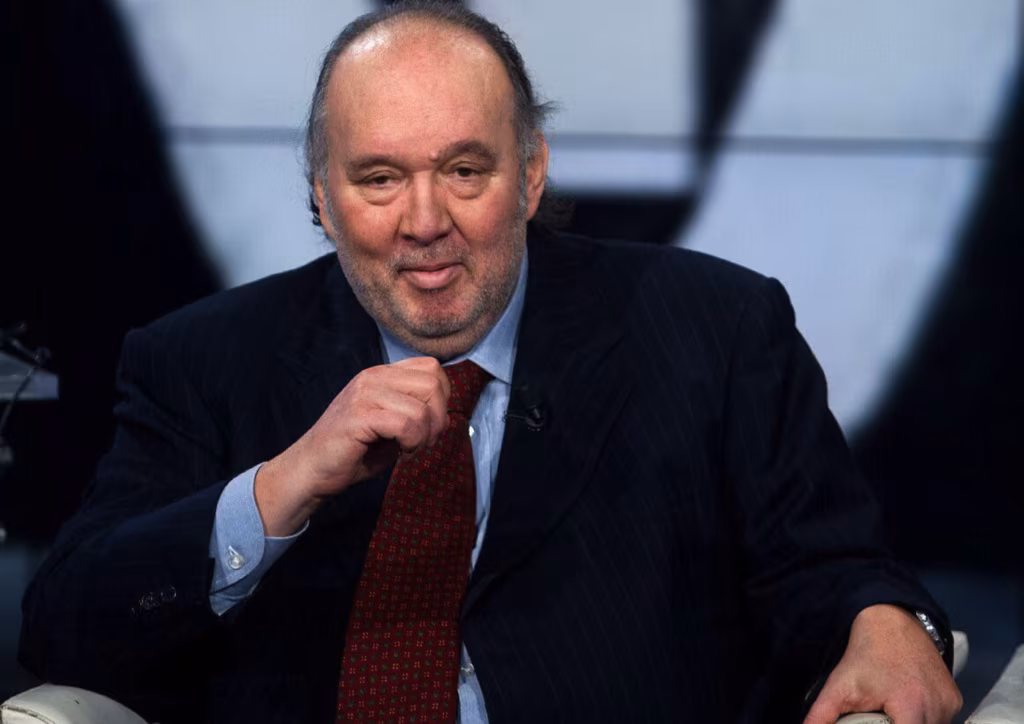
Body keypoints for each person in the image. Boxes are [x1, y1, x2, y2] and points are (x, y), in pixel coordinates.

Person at [19, 3, 962, 723]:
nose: (426, 221)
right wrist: (281, 487)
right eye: (379, 178)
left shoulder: (715, 329)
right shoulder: (202, 360)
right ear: (322, 197)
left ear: (532, 173)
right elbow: (64, 627)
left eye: (465, 170)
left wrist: (888, 621)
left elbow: (835, 566)